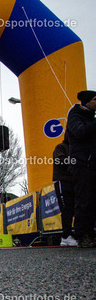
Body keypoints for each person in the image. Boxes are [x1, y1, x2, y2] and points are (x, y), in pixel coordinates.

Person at [65, 90, 96, 247]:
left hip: (91, 163)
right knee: (84, 200)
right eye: (95, 99)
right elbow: (80, 132)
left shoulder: (90, 118)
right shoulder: (75, 116)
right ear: (86, 102)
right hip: (82, 164)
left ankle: (90, 234)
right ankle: (82, 235)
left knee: (92, 200)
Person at [52, 138, 77, 246]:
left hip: (74, 181)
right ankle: (66, 235)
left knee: (75, 207)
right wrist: (74, 162)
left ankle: (74, 233)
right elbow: (58, 160)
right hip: (63, 180)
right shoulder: (61, 147)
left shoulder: (75, 148)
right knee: (67, 208)